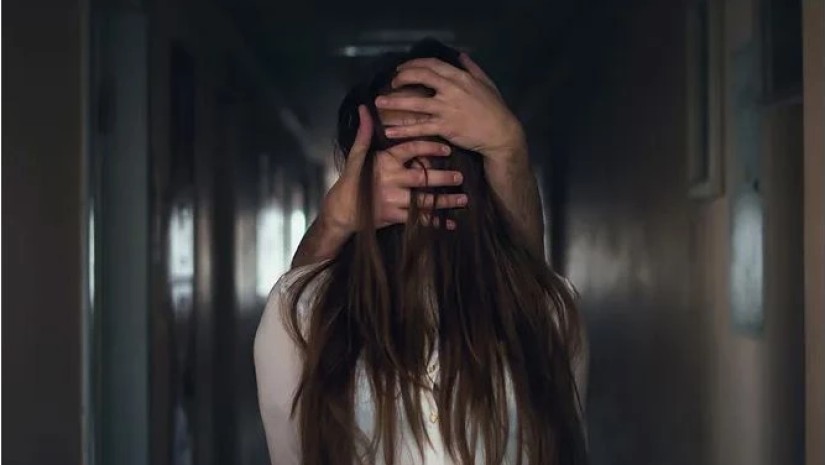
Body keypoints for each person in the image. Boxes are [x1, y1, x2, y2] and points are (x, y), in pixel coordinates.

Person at [254, 39, 588, 465]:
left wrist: (509, 149)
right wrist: (337, 218)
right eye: (398, 145)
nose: (418, 171)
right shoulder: (299, 312)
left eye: (438, 142)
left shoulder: (551, 311)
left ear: (473, 169)